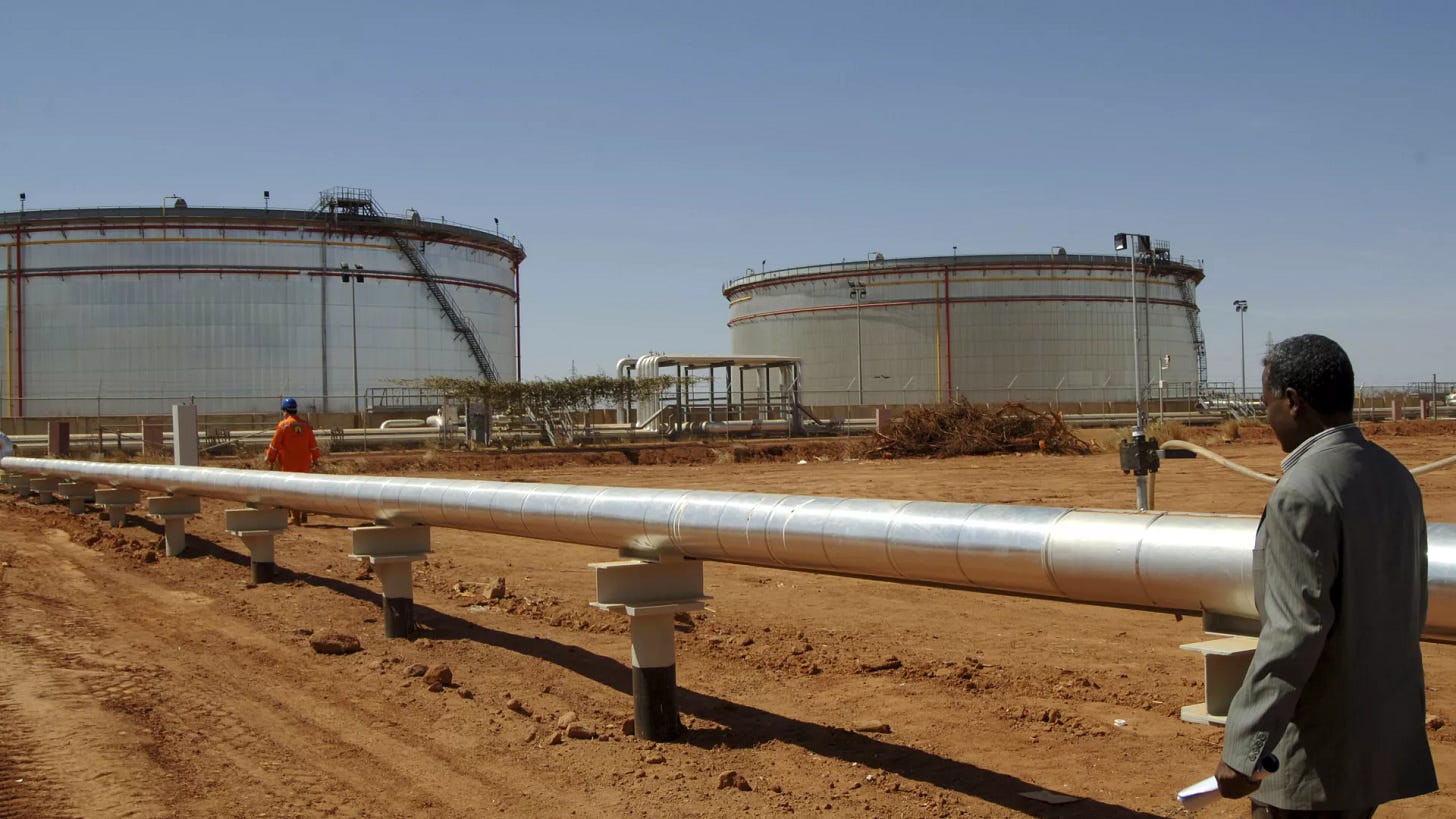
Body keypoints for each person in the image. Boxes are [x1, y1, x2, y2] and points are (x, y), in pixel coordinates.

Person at [1215, 335, 1436, 817]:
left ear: (1292, 402)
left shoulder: (1303, 491)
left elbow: (1296, 630)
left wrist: (1245, 746)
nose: (1266, 416)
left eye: (1267, 402)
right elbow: (1407, 605)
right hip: (1374, 742)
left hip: (1314, 754)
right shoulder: (1395, 476)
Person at [265, 397, 321, 524]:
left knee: (290, 490)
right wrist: (316, 458)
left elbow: (274, 445)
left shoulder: (283, 425)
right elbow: (313, 444)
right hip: (304, 463)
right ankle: (304, 512)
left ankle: (295, 517)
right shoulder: (306, 425)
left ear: (285, 411)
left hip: (288, 463)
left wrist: (270, 457)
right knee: (303, 488)